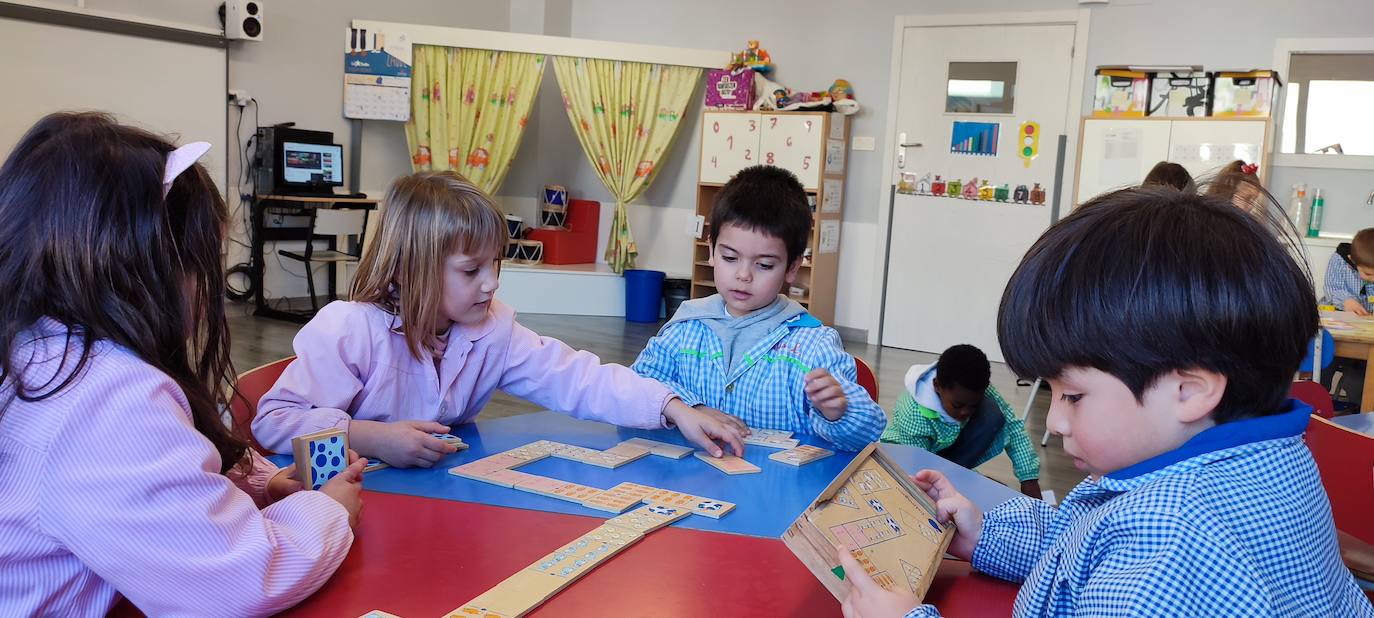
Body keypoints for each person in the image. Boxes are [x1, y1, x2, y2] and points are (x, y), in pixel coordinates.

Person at [838, 185, 1374, 616]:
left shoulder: (1173, 550)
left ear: (1188, 389)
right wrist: (984, 537)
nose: (1059, 422)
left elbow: (1131, 556)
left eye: (1072, 396)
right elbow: (1087, 549)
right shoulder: (1248, 460)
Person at [0, 112, 362, 616]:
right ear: (142, 266)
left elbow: (175, 463)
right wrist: (328, 510)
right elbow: (240, 579)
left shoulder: (38, 350)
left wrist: (262, 482)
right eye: (205, 263)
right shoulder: (106, 397)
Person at [254, 171, 744, 466]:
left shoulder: (492, 330)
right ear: (409, 268)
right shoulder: (348, 328)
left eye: (496, 265)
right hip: (346, 512)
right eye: (471, 270)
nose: (491, 283)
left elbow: (578, 378)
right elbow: (274, 422)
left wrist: (674, 407)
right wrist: (369, 438)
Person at [631, 165, 885, 451]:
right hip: (694, 483)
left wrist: (839, 413)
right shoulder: (686, 327)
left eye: (764, 265)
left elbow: (869, 434)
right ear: (711, 250)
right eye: (730, 258)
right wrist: (690, 407)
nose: (744, 275)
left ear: (791, 268)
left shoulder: (813, 345)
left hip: (780, 489)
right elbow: (636, 386)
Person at [880, 344, 1041, 498]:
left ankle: (961, 478)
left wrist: (1029, 479)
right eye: (957, 405)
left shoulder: (972, 388)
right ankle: (963, 480)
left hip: (944, 452)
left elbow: (1012, 427)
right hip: (908, 460)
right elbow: (920, 474)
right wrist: (976, 486)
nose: (965, 412)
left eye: (973, 405)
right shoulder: (912, 412)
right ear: (937, 386)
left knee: (993, 413)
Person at [1319, 228, 1374, 405]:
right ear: (1352, 260)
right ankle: (1317, 407)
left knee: (1358, 383)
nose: (1372, 279)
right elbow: (1332, 288)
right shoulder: (1339, 261)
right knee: (1322, 369)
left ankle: (1361, 413)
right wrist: (1347, 301)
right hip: (1337, 333)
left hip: (1365, 341)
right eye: (1368, 274)